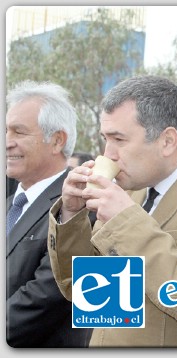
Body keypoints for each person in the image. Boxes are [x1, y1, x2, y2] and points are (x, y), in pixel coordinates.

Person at [47, 75, 177, 347]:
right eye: (105, 139)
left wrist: (126, 222)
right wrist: (72, 216)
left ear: (167, 141)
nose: (108, 154)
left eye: (119, 139)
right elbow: (83, 288)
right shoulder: (132, 189)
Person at [6, 80, 92, 347]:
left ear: (57, 141)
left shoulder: (79, 207)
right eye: (5, 131)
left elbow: (48, 294)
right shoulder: (10, 203)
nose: (7, 142)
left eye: (19, 132)